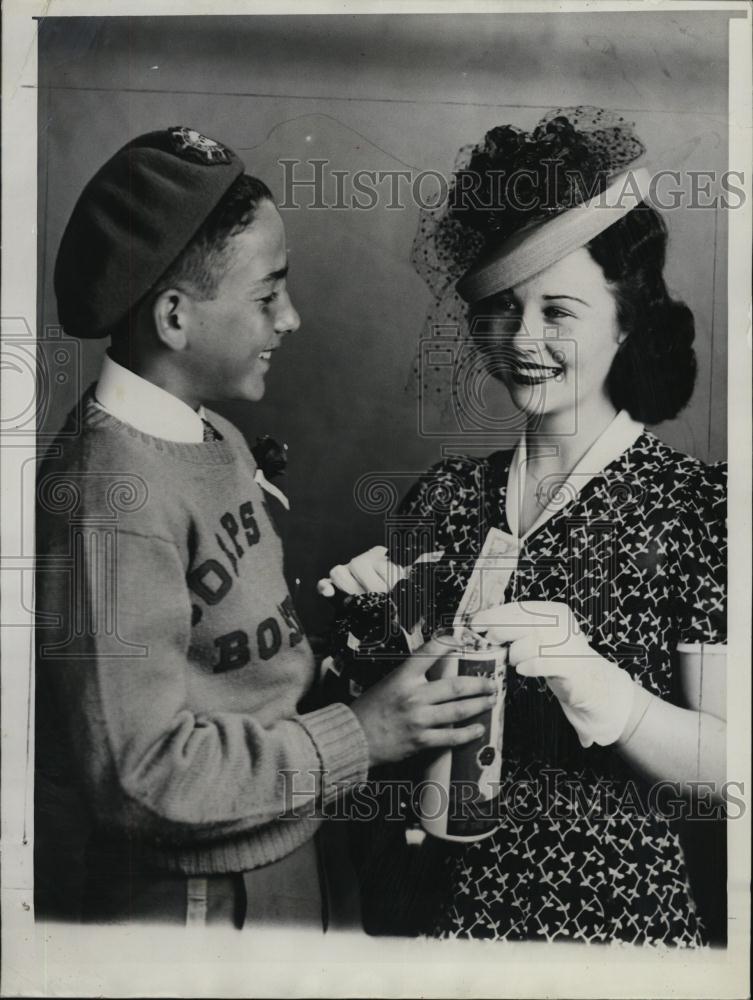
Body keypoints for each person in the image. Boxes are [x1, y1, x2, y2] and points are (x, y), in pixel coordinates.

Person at [34, 126, 499, 929]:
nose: (291, 318)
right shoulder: (107, 498)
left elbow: (240, 665)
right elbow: (138, 778)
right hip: (189, 903)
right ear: (175, 318)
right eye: (266, 295)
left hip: (285, 850)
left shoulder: (211, 435)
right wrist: (360, 733)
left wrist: (366, 670)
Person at [325, 107, 727, 945]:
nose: (521, 339)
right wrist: (373, 617)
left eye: (558, 311)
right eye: (502, 309)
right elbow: (385, 720)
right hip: (430, 922)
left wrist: (604, 689)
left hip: (605, 932)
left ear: (625, 318)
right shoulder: (436, 498)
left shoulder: (701, 509)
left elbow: (730, 776)